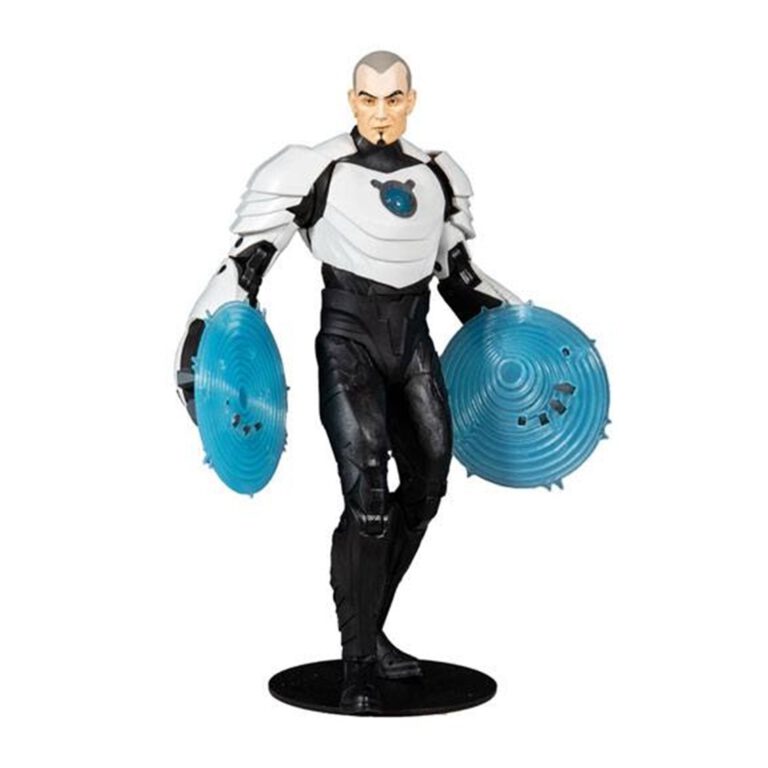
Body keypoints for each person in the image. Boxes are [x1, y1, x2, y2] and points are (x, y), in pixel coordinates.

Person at [175, 50, 521, 714]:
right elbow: (246, 266)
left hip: (413, 341)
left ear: (411, 100)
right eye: (368, 98)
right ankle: (357, 663)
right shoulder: (314, 169)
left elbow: (459, 278)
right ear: (351, 99)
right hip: (349, 345)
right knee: (368, 502)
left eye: (393, 99)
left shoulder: (437, 175)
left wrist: (527, 330)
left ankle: (373, 633)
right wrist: (201, 345)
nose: (380, 112)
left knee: (427, 487)